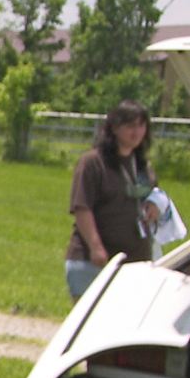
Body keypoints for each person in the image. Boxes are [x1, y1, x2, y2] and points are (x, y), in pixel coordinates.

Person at [65, 100, 162, 300]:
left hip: (136, 264)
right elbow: (82, 208)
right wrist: (96, 247)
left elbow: (154, 195)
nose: (137, 132)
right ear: (114, 128)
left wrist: (156, 205)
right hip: (94, 264)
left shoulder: (143, 166)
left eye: (141, 125)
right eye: (131, 126)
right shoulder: (92, 162)